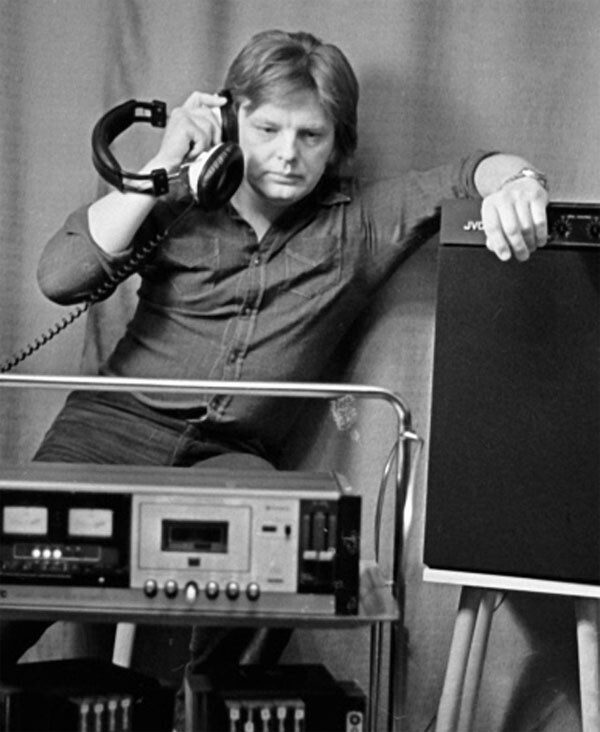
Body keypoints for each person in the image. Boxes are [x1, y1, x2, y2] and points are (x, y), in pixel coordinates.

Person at [1, 26, 549, 711]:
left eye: (311, 135)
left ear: (337, 143)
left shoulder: (358, 223)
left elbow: (471, 173)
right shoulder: (180, 198)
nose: (288, 153)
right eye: (267, 129)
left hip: (230, 455)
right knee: (22, 568)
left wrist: (521, 185)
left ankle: (193, 711)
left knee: (289, 556)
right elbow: (60, 276)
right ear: (232, 121)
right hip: (108, 430)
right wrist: (167, 163)